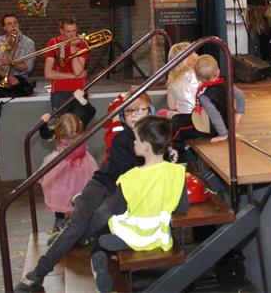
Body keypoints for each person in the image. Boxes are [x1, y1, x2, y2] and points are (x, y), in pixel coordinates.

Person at [15, 89, 153, 292]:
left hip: (123, 193)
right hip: (104, 183)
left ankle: (73, 237)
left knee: (96, 221)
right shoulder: (122, 138)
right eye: (129, 111)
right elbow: (128, 173)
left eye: (140, 110)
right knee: (79, 225)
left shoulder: (155, 136)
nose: (135, 115)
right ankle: (38, 273)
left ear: (150, 110)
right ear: (123, 114)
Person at [91, 116, 189, 293]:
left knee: (98, 235)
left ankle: (101, 268)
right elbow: (182, 207)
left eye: (135, 139)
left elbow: (118, 211)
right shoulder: (177, 172)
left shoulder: (128, 178)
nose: (133, 142)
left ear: (146, 146)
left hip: (133, 230)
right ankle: (136, 241)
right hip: (160, 234)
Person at [0, 14, 36, 166]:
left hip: (20, 80)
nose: (13, 26)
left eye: (15, 22)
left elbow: (28, 67)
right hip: (3, 78)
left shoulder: (28, 42)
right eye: (9, 24)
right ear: (4, 27)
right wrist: (7, 75)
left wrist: (10, 63)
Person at [39, 107, 98, 234]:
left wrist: (82, 101)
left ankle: (80, 219)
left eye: (74, 138)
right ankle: (59, 219)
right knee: (59, 192)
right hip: (63, 166)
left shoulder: (80, 125)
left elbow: (91, 111)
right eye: (67, 138)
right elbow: (45, 135)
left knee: (82, 191)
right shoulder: (57, 130)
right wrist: (43, 123)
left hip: (82, 165)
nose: (71, 141)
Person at [43, 18, 94, 138]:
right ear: (61, 31)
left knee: (78, 128)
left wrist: (72, 48)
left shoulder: (82, 43)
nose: (72, 34)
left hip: (79, 91)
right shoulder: (53, 43)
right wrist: (71, 76)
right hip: (59, 91)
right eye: (68, 31)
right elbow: (48, 73)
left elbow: (77, 70)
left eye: (74, 30)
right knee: (63, 129)